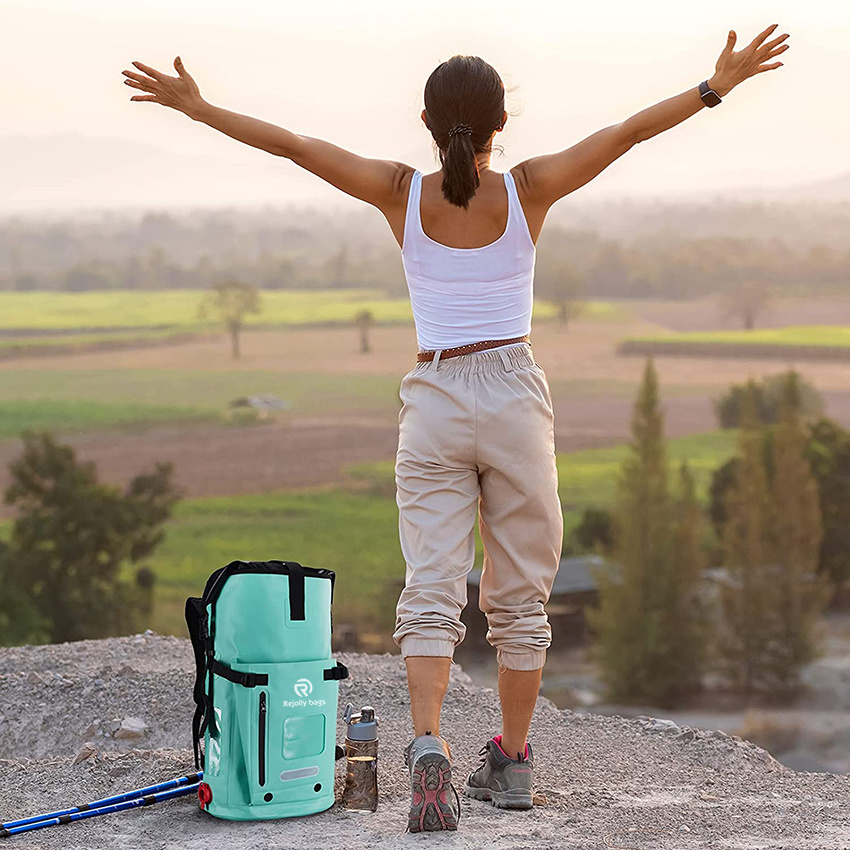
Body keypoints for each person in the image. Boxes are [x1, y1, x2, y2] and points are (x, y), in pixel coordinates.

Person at [122, 24, 789, 832]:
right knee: (520, 599)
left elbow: (295, 146)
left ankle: (430, 745)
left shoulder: (400, 191)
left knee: (433, 583)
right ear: (500, 122)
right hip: (513, 392)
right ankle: (511, 759)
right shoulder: (529, 189)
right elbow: (625, 134)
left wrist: (197, 109)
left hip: (435, 394)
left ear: (430, 123)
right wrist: (715, 87)